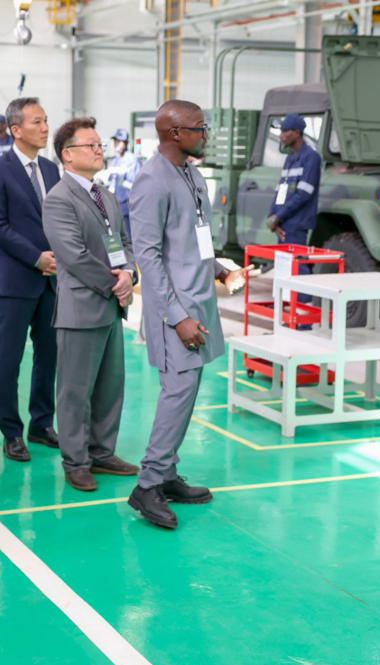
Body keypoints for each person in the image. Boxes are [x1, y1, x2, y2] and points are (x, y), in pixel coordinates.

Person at [128, 100, 250, 529]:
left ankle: (165, 473)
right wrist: (176, 315)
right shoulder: (151, 181)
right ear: (175, 133)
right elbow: (148, 255)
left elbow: (191, 240)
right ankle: (146, 486)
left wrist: (220, 269)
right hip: (173, 311)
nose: (206, 134)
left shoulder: (191, 174)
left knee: (186, 395)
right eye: (200, 128)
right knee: (176, 394)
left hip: (198, 302)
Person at [43, 118, 140, 491]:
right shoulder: (59, 199)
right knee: (75, 391)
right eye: (91, 145)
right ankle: (76, 460)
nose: (100, 150)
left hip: (111, 307)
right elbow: (73, 255)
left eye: (100, 144)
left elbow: (125, 242)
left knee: (110, 386)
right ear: (68, 155)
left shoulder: (107, 196)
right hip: (82, 308)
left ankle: (101, 452)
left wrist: (129, 272)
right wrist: (114, 285)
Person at [0, 97, 61, 463]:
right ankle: (11, 432)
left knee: (50, 356)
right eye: (37, 122)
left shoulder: (52, 169)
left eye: (46, 121)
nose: (45, 128)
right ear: (16, 129)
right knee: (9, 360)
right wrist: (36, 257)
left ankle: (41, 424)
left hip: (52, 281)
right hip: (16, 281)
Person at [267, 113, 320, 319]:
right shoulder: (290, 159)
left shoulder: (311, 158)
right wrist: (272, 215)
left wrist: (278, 217)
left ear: (296, 133)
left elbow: (303, 194)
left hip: (296, 224)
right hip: (284, 223)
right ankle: (286, 321)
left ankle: (303, 322)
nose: (280, 136)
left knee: (298, 270)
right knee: (283, 271)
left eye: (284, 132)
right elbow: (281, 190)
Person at [101, 128, 141, 235]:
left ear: (126, 142)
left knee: (128, 236)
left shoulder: (132, 159)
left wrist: (120, 180)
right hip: (115, 204)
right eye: (115, 141)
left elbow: (134, 185)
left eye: (120, 142)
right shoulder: (115, 160)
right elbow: (110, 182)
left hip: (127, 206)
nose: (117, 144)